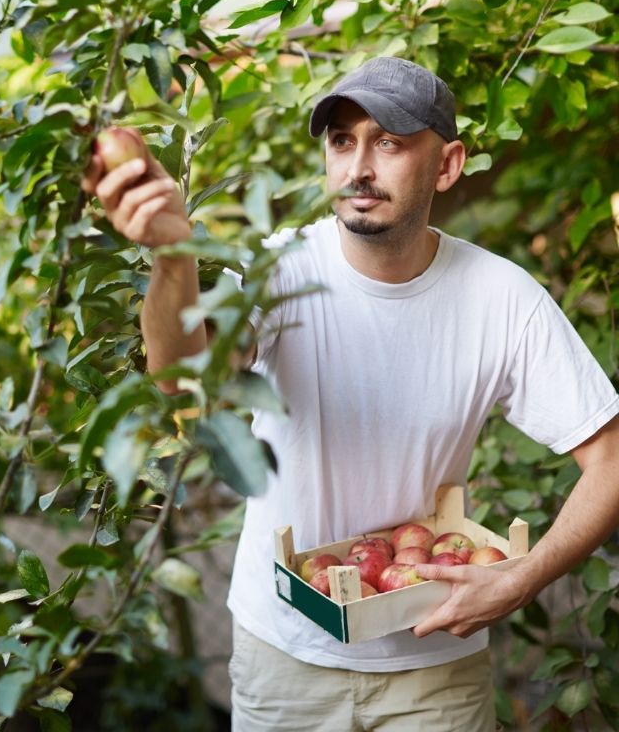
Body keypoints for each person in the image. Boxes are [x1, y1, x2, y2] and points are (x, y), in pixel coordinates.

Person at [82, 56, 619, 731]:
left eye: (389, 142)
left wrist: (525, 574)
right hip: (284, 662)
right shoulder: (276, 272)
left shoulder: (502, 298)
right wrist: (172, 256)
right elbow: (179, 372)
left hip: (433, 667)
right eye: (342, 140)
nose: (358, 166)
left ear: (448, 165)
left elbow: (611, 456)